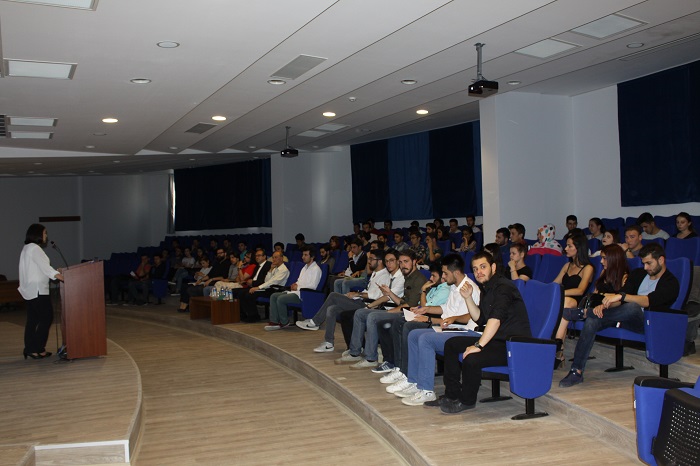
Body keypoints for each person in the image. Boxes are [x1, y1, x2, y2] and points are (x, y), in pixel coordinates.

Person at [559, 243, 679, 387]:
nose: (645, 267)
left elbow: (647, 301)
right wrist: (603, 306)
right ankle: (576, 371)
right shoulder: (639, 274)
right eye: (643, 263)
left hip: (649, 323)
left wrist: (621, 297)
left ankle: (584, 313)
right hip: (623, 316)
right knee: (592, 321)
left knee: (633, 306)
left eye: (649, 263)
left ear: (661, 260)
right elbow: (620, 299)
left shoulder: (670, 282)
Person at [437, 252, 531, 414]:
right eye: (475, 269)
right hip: (497, 340)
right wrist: (468, 298)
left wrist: (478, 345)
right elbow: (480, 319)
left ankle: (467, 401)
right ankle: (452, 394)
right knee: (451, 344)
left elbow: (495, 319)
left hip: (513, 346)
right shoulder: (487, 288)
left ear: (493, 267)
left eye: (483, 267)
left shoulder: (504, 287)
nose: (478, 272)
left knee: (472, 358)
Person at [384, 254, 481, 401]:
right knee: (414, 335)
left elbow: (462, 319)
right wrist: (426, 309)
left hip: (462, 331)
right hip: (450, 327)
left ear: (455, 273)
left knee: (425, 338)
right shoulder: (454, 286)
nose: (443, 277)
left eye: (445, 273)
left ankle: (426, 391)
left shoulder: (470, 288)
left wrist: (430, 319)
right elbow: (446, 309)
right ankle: (413, 380)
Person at [296, 250, 390, 353]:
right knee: (332, 309)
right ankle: (328, 343)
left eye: (371, 259)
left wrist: (358, 294)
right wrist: (355, 294)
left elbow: (376, 296)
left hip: (369, 305)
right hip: (361, 301)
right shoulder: (375, 273)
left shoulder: (384, 276)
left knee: (333, 296)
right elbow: (369, 291)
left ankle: (315, 322)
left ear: (380, 261)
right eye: (369, 259)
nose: (369, 261)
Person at [336, 249, 410, 367]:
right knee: (359, 313)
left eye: (391, 261)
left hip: (393, 309)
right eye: (386, 261)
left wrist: (370, 306)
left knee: (370, 315)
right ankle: (355, 352)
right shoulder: (390, 276)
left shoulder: (401, 278)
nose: (388, 264)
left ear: (398, 262)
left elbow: (387, 297)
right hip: (383, 307)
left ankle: (371, 358)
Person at [19, 224, 64, 359]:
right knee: (46, 317)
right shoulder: (35, 248)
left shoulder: (27, 248)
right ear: (37, 234)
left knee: (33, 320)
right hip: (38, 290)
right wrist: (61, 277)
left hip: (30, 290)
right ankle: (37, 348)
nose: (46, 236)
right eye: (45, 233)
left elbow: (39, 268)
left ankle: (30, 349)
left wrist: (56, 271)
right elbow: (45, 268)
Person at [551, 233, 595, 368]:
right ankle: (558, 349)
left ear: (578, 248)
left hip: (577, 302)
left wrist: (560, 293)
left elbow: (580, 290)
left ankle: (557, 345)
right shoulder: (567, 266)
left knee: (566, 302)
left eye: (569, 246)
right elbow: (554, 284)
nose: (566, 248)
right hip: (563, 301)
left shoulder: (588, 268)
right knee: (562, 307)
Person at [265, 246, 322, 330]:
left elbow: (313, 286)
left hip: (304, 295)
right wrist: (295, 284)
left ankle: (284, 322)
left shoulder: (316, 269)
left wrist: (298, 287)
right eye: (303, 255)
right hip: (297, 292)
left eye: (306, 255)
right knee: (273, 296)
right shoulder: (304, 268)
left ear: (312, 257)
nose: (303, 257)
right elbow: (299, 281)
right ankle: (274, 321)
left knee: (281, 299)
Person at [239, 251, 289, 322]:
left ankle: (254, 316)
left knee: (249, 294)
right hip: (268, 288)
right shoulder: (274, 268)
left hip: (276, 290)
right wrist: (270, 270)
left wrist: (258, 288)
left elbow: (272, 282)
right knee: (242, 293)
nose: (274, 259)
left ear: (281, 258)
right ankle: (247, 315)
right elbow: (266, 280)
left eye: (276, 257)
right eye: (273, 257)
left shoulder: (283, 270)